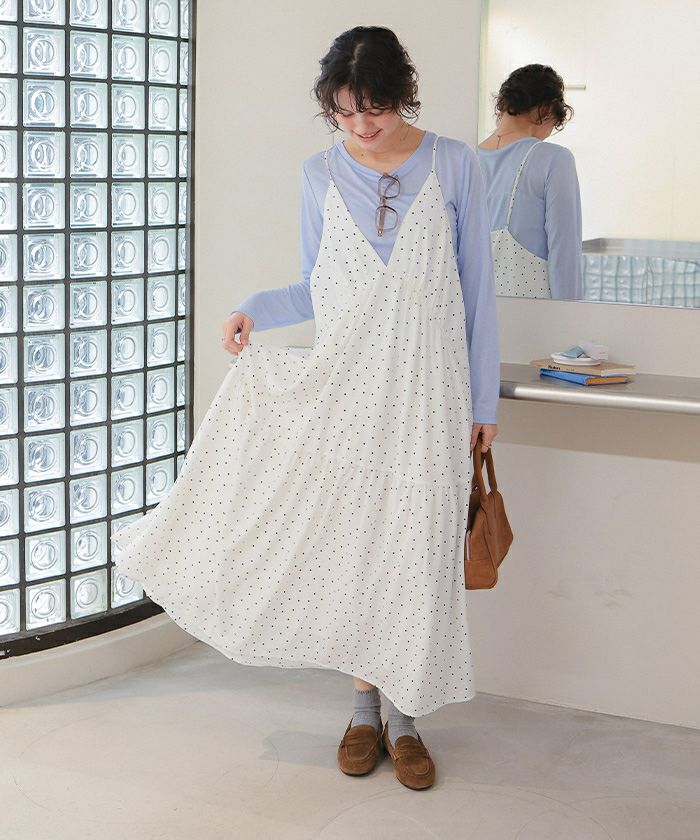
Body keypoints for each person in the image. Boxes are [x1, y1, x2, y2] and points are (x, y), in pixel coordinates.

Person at [111, 26, 500, 792]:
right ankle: (362, 710)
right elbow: (316, 285)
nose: (360, 126)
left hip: (431, 396)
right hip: (348, 394)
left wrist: (484, 402)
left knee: (416, 554)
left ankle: (407, 721)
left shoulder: (456, 163)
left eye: (374, 109)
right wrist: (253, 307)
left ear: (402, 94)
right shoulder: (319, 173)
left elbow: (479, 293)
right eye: (344, 112)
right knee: (354, 550)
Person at [477, 64, 582, 300]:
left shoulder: (466, 161)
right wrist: (573, 315)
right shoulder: (554, 159)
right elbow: (564, 253)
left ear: (501, 104)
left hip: (477, 313)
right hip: (535, 315)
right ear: (546, 110)